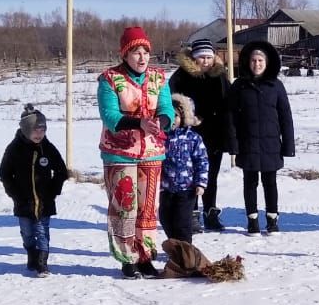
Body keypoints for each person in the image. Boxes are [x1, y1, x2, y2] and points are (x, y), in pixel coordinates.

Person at [97, 26, 175, 278]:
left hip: (152, 152)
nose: (142, 57)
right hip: (120, 152)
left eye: (145, 52)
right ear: (125, 54)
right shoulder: (110, 79)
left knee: (148, 207)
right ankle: (127, 258)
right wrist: (138, 122)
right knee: (124, 206)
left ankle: (144, 256)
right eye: (135, 52)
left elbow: (167, 110)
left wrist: (160, 122)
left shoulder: (158, 78)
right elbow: (110, 116)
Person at [228, 40, 295, 235]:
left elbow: (286, 116)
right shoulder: (239, 86)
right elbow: (230, 116)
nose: (256, 64)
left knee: (270, 182)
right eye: (253, 60)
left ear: (267, 63)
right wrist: (233, 143)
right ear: (248, 63)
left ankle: (272, 219)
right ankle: (252, 221)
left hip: (270, 143)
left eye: (260, 60)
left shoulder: (276, 85)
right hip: (247, 143)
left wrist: (288, 145)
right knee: (249, 183)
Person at [169, 40, 235, 231]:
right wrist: (187, 117)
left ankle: (210, 212)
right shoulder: (181, 76)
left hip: (214, 135)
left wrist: (230, 134)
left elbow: (229, 104)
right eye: (201, 58)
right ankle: (192, 214)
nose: (205, 61)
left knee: (210, 176)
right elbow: (171, 100)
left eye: (208, 57)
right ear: (194, 58)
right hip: (189, 136)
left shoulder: (220, 76)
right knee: (190, 176)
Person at [0, 105, 68, 277]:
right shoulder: (14, 148)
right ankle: (31, 254)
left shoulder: (47, 147)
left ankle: (42, 263)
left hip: (44, 200)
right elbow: (5, 173)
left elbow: (61, 170)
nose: (39, 135)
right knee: (27, 232)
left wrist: (54, 190)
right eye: (35, 131)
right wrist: (14, 193)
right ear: (25, 130)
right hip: (23, 200)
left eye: (42, 130)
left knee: (42, 231)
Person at [159, 94, 210, 244]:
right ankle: (175, 246)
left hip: (187, 189)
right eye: (168, 115)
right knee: (165, 218)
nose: (172, 119)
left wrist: (201, 183)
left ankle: (186, 250)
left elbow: (202, 160)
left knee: (182, 222)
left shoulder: (193, 138)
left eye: (175, 115)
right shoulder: (161, 137)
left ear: (183, 116)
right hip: (166, 188)